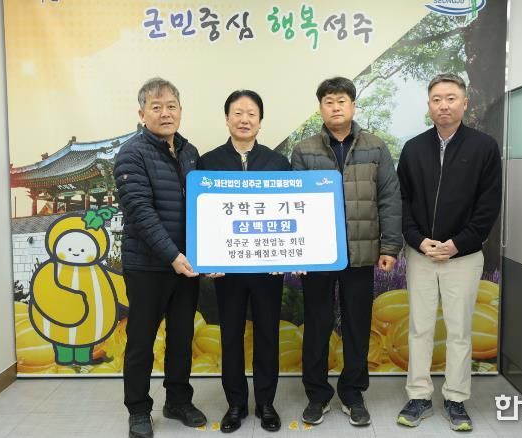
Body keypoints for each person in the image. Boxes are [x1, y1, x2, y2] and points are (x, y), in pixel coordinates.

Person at [291, 77, 401, 427]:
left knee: (357, 325)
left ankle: (353, 393)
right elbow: (295, 202)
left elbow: (389, 197)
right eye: (328, 101)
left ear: (353, 105)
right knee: (317, 325)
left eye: (341, 100)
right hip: (318, 255)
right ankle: (317, 394)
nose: (335, 107)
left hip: (361, 253)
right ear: (320, 108)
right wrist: (299, 254)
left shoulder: (375, 147)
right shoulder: (305, 150)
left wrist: (390, 245)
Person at [396, 73, 502, 432]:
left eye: (451, 98)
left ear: (465, 103)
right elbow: (402, 201)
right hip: (422, 254)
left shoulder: (484, 147)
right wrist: (417, 240)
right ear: (429, 105)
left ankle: (456, 398)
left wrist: (459, 243)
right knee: (420, 328)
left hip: (464, 256)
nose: (444, 105)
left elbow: (488, 205)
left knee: (459, 331)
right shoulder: (413, 149)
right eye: (437, 99)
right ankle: (419, 396)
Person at [114, 77, 206, 438]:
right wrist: (172, 255)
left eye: (171, 106)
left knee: (182, 336)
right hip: (148, 266)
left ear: (180, 111)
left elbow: (202, 207)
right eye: (156, 107)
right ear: (142, 114)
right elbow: (140, 211)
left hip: (186, 265)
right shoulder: (132, 153)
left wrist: (205, 255)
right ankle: (138, 409)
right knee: (141, 340)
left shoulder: (189, 151)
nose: (165, 113)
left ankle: (178, 401)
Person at [198, 90, 290, 433]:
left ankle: (266, 403)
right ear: (227, 119)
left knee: (267, 334)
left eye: (251, 113)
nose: (244, 119)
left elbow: (289, 214)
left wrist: (286, 255)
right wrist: (207, 258)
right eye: (238, 113)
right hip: (227, 270)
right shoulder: (208, 162)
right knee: (231, 336)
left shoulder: (277, 163)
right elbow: (202, 215)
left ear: (260, 121)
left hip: (268, 268)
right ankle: (235, 404)